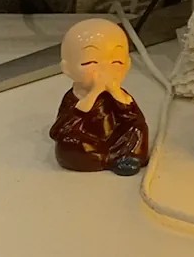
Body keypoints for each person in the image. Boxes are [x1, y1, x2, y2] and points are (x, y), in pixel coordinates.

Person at [48, 19, 149, 175]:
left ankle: (126, 156)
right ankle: (109, 160)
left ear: (128, 64)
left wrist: (115, 92)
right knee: (70, 143)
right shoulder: (73, 97)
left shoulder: (118, 95)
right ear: (67, 68)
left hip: (115, 139)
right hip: (88, 143)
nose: (105, 70)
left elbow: (133, 118)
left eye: (116, 62)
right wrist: (93, 93)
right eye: (90, 62)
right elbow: (59, 131)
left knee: (138, 127)